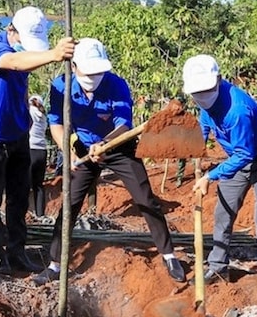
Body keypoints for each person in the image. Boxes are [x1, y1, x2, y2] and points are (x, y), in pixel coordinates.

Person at [33, 38, 185, 286]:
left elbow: (123, 124)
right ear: (74, 67)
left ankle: (169, 255)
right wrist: (69, 151)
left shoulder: (116, 85)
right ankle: (55, 264)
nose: (93, 77)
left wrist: (105, 144)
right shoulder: (61, 86)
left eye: (98, 72)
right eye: (88, 72)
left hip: (118, 146)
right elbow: (56, 123)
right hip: (81, 147)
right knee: (69, 204)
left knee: (145, 198)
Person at [0, 6, 75, 276]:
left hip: (19, 136)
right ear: (10, 30)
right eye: (23, 42)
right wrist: (53, 55)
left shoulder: (24, 52)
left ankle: (18, 253)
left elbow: (21, 71)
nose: (26, 49)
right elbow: (13, 62)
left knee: (19, 199)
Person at [182, 54, 257, 317]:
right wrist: (197, 144)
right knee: (222, 213)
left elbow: (244, 155)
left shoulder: (237, 110)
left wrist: (208, 177)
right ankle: (218, 266)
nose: (202, 96)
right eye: (197, 92)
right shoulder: (203, 100)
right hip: (239, 159)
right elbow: (205, 123)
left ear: (218, 79)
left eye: (206, 90)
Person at [28, 94, 48, 218]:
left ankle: (22, 213)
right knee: (38, 185)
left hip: (30, 149)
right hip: (42, 150)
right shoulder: (44, 117)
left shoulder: (29, 112)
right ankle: (40, 214)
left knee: (24, 183)